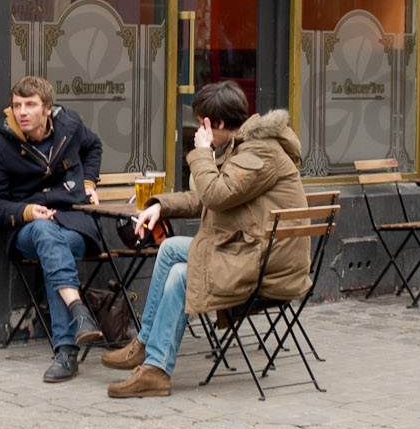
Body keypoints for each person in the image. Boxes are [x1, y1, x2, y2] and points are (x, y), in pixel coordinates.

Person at [100, 81, 308, 398]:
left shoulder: (259, 153)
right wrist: (160, 206)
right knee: (169, 248)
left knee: (183, 275)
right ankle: (144, 344)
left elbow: (215, 193)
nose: (199, 129)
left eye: (201, 123)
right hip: (252, 252)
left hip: (267, 265)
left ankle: (157, 369)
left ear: (218, 124)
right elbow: (205, 198)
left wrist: (201, 154)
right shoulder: (244, 148)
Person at [0, 75, 107, 383]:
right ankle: (76, 320)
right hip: (27, 229)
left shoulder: (70, 126)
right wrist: (26, 211)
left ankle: (68, 348)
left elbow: (94, 147)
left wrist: (89, 183)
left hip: (74, 224)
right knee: (45, 233)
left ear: (47, 109)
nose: (22, 112)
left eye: (30, 105)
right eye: (17, 105)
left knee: (55, 248)